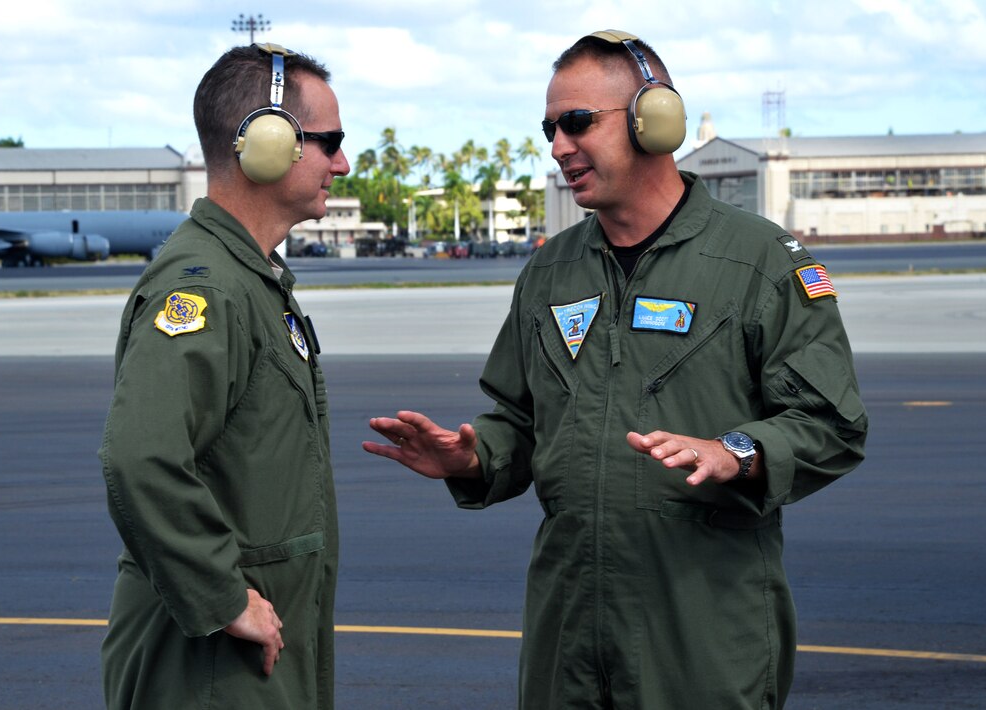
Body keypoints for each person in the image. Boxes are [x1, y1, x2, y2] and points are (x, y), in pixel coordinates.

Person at [364, 30, 867, 709]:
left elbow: (832, 424)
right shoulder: (550, 269)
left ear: (653, 123)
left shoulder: (761, 263)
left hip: (702, 634)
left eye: (576, 123)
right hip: (569, 631)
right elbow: (520, 420)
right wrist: (475, 456)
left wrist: (736, 450)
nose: (558, 146)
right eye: (549, 128)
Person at [100, 42, 348, 709]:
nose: (342, 163)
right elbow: (140, 456)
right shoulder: (205, 290)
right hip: (206, 668)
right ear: (267, 144)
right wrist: (224, 594)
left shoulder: (248, 280)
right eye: (329, 142)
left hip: (242, 661)